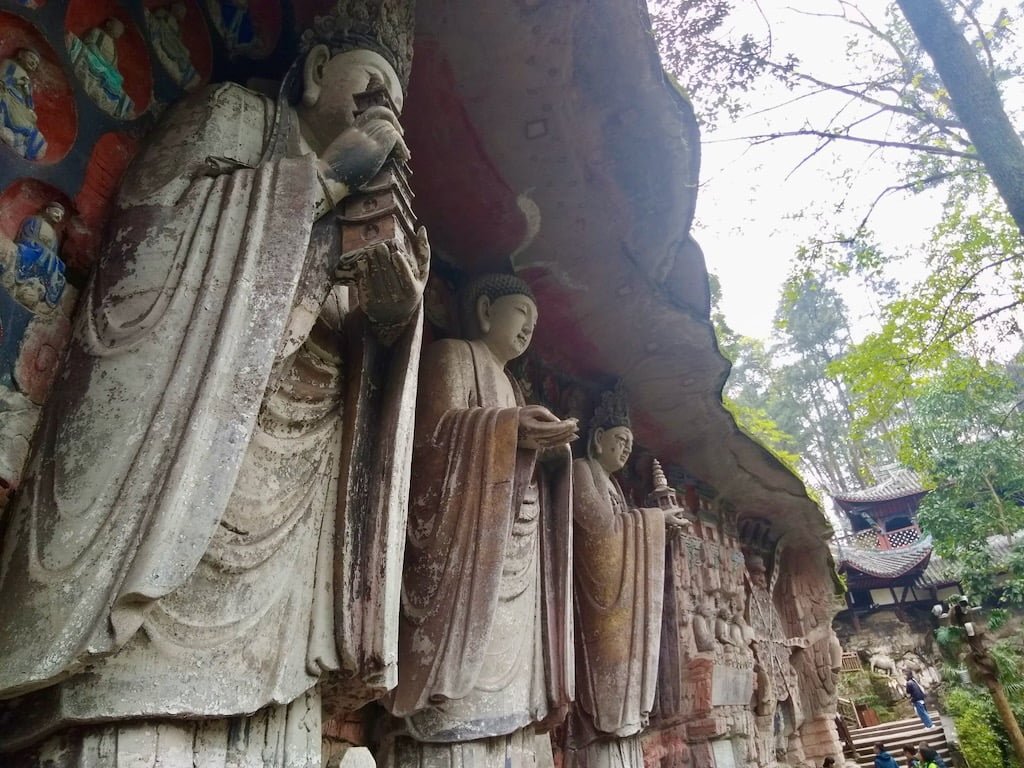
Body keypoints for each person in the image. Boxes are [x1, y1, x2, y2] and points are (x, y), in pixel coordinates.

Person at [0, 21, 426, 766]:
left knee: (275, 726)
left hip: (289, 505)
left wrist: (393, 313)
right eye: (372, 82)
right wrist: (321, 183)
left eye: (394, 100)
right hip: (181, 450)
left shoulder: (370, 197)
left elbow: (347, 353)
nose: (383, 106)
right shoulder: (237, 116)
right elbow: (149, 241)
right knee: (136, 712)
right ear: (319, 66)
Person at [389, 274, 578, 768]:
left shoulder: (514, 384)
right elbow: (431, 441)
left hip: (512, 543)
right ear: (485, 310)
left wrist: (551, 455)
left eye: (535, 322)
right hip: (466, 545)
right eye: (521, 314)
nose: (529, 329)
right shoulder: (452, 355)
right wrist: (510, 429)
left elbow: (523, 459)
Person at [563, 388, 689, 768]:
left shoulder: (614, 485)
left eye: (630, 445)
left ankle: (625, 731)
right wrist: (651, 521)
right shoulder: (582, 470)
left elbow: (622, 527)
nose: (625, 450)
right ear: (598, 438)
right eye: (619, 440)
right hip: (597, 599)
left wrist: (653, 526)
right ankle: (599, 730)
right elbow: (600, 531)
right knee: (607, 679)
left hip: (621, 599)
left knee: (627, 679)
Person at [0, 48, 47, 160]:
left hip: (20, 107)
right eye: (31, 58)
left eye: (35, 63)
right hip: (8, 97)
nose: (33, 63)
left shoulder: (27, 80)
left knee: (36, 134)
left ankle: (18, 139)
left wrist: (30, 108)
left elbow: (28, 103)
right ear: (21, 54)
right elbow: (2, 81)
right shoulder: (10, 64)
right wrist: (20, 82)